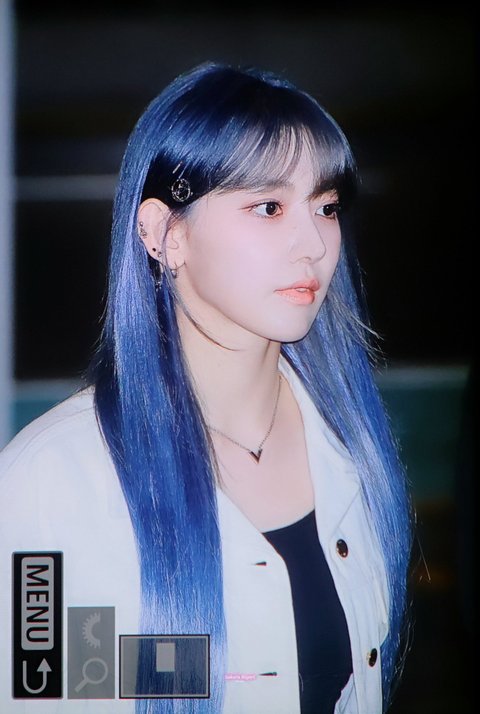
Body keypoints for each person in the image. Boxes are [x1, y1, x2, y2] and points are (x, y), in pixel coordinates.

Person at [0, 60, 414, 713]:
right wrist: (213, 671)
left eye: (326, 206)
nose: (313, 243)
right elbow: (42, 681)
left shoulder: (348, 441)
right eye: (268, 207)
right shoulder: (54, 480)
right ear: (164, 233)